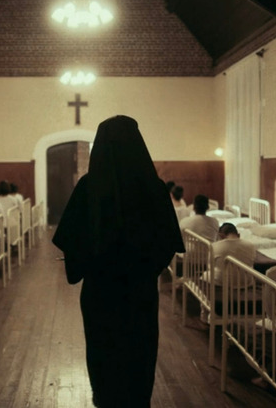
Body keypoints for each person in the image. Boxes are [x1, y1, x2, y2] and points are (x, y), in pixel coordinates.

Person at [53, 115, 184, 407]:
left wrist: (88, 262)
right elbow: (168, 242)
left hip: (100, 291)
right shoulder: (154, 188)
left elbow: (71, 240)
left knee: (103, 349)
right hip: (140, 290)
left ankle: (105, 398)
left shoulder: (88, 187)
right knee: (141, 347)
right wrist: (146, 268)